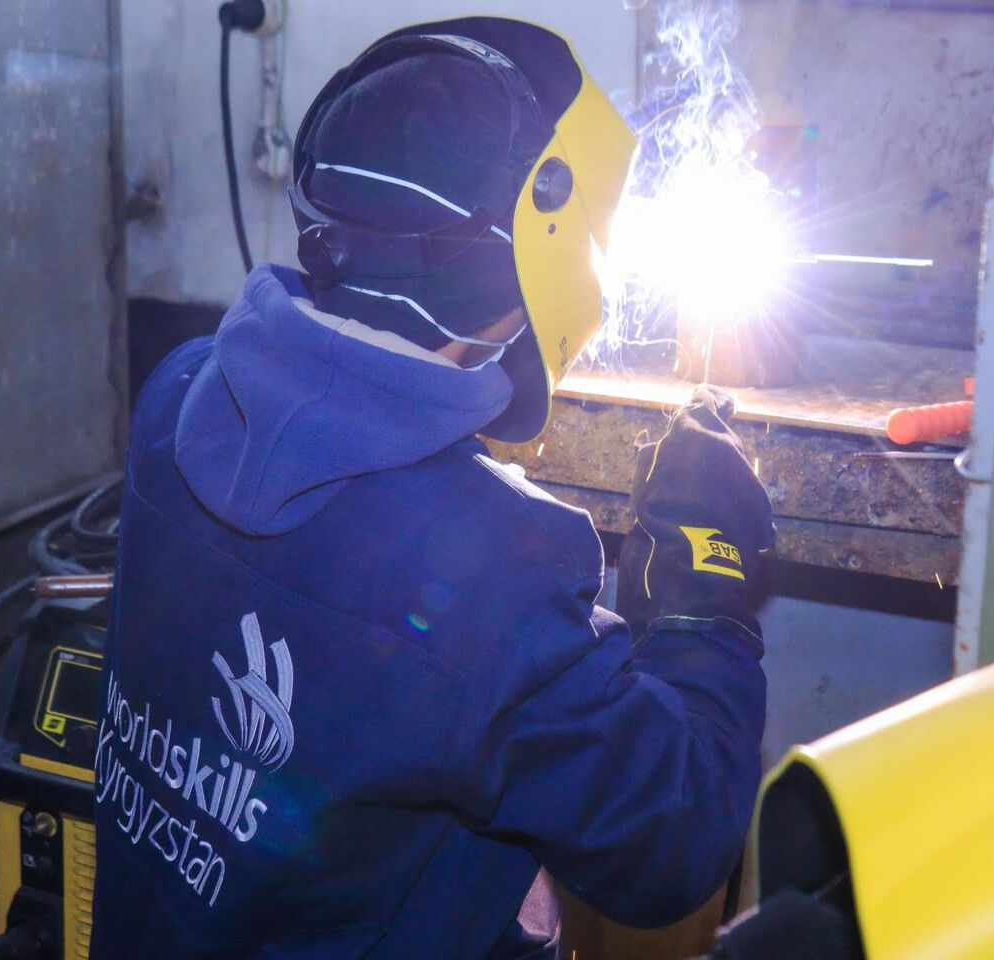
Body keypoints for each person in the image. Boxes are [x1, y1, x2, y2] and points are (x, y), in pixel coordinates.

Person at [90, 17, 774, 960]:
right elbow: (673, 840)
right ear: (540, 245)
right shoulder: (491, 571)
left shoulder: (176, 397)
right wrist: (708, 603)